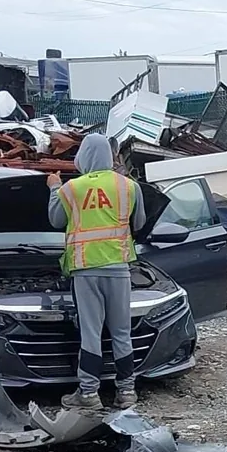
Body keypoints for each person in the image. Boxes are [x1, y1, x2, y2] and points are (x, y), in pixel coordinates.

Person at [46, 135, 146, 412]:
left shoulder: (72, 188)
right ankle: (127, 392)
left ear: (84, 156)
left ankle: (89, 393)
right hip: (119, 268)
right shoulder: (129, 186)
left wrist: (53, 188)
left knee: (91, 333)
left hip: (86, 269)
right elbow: (139, 223)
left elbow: (55, 220)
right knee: (121, 332)